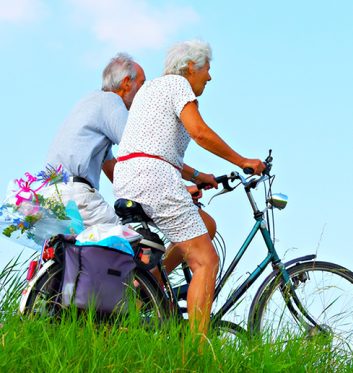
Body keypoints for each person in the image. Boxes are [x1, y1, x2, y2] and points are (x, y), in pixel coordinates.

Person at [113, 39, 265, 336]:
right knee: (206, 261)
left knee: (205, 225)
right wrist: (242, 160)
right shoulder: (178, 84)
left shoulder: (151, 90)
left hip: (131, 177)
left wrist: (196, 176)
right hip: (154, 179)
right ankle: (195, 354)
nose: (209, 77)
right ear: (192, 67)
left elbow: (152, 147)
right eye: (207, 69)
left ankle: (149, 286)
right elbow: (199, 132)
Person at [44, 53, 146, 226]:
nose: (144, 92)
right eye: (142, 84)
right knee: (130, 242)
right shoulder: (111, 101)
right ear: (127, 82)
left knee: (80, 251)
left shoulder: (90, 101)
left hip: (50, 196)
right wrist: (178, 188)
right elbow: (142, 150)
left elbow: (112, 169)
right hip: (75, 195)